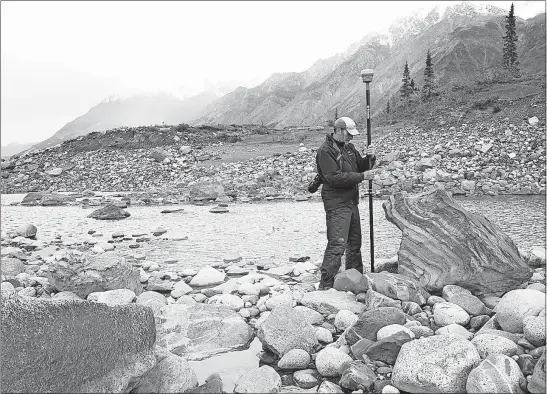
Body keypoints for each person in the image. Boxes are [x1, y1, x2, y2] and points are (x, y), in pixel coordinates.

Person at [315, 116, 377, 290]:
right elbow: (334, 178)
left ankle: (355, 281)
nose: (351, 137)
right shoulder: (325, 151)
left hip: (351, 202)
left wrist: (370, 158)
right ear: (338, 131)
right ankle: (325, 285)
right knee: (337, 244)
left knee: (354, 244)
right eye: (348, 133)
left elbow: (362, 166)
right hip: (336, 204)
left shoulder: (349, 148)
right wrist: (362, 177)